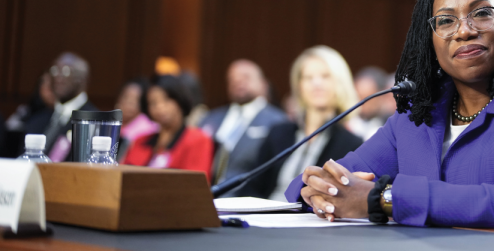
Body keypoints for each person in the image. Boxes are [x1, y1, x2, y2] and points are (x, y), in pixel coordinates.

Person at [287, 0, 494, 237]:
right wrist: (318, 188)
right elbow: (321, 183)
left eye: (482, 13)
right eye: (445, 20)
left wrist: (382, 199)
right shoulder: (420, 110)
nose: (464, 30)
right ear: (428, 39)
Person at [248, 46, 364, 201]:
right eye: (308, 77)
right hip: (264, 217)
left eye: (325, 76)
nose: (316, 83)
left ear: (339, 83)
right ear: (299, 86)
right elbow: (252, 186)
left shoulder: (351, 143)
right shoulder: (278, 133)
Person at [199, 60, 290, 188]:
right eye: (232, 79)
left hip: (247, 196)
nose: (238, 81)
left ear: (263, 83)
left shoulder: (278, 121)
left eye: (245, 76)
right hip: (204, 193)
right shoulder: (210, 118)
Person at [123, 74, 214, 180]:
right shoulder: (140, 140)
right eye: (153, 103)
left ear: (179, 99)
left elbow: (196, 185)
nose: (160, 107)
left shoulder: (198, 139)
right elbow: (123, 175)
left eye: (166, 100)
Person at [346, 66, 393, 141]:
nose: (362, 106)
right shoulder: (345, 124)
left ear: (382, 96)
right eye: (358, 97)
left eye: (367, 99)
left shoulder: (392, 126)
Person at [115, 78, 157, 159]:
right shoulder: (112, 122)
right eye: (126, 97)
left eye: (135, 100)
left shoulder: (148, 128)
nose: (129, 103)